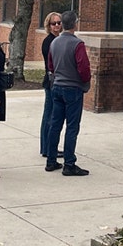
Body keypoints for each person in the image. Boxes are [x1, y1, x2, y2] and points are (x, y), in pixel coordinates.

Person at [46, 10, 90, 176]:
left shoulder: (55, 43)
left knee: (55, 124)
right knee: (72, 127)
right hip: (73, 88)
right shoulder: (77, 44)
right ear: (75, 24)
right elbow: (83, 68)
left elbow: (50, 66)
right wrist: (85, 81)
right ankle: (69, 163)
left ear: (62, 24)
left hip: (57, 86)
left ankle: (51, 160)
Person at [39, 12, 63, 158]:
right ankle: (47, 148)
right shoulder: (49, 41)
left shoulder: (57, 40)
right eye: (54, 23)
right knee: (49, 116)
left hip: (55, 81)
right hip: (51, 82)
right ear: (48, 25)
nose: (57, 26)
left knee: (51, 115)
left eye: (59, 23)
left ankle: (47, 148)